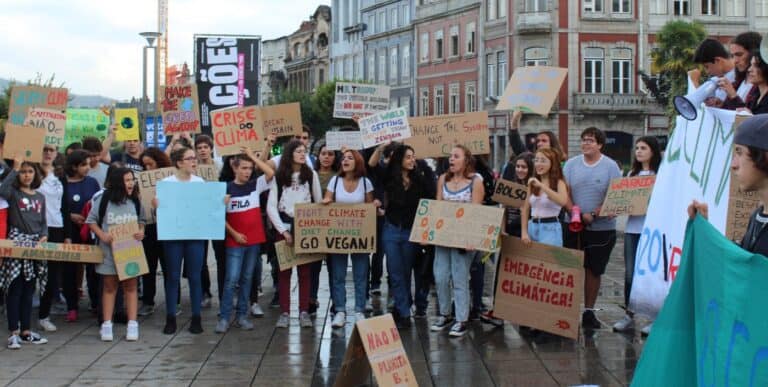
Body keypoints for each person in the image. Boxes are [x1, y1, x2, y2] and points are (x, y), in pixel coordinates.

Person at [563, 127, 622, 330]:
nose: (585, 143)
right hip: (573, 225)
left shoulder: (611, 166)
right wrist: (575, 213)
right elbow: (565, 192)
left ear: (600, 145)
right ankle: (567, 310)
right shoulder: (571, 164)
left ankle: (589, 311)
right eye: (583, 140)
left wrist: (594, 214)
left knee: (594, 270)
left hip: (602, 228)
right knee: (570, 268)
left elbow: (615, 195)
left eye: (590, 140)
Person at [690, 115, 768, 255]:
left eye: (740, 152)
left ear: (765, 157)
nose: (733, 165)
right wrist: (705, 230)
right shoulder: (757, 216)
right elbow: (743, 261)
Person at [215, 149, 274, 333]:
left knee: (247, 278)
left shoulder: (255, 185)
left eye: (250, 168)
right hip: (235, 242)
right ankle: (224, 317)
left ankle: (242, 316)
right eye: (244, 168)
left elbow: (270, 172)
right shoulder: (225, 188)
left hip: (254, 240)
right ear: (235, 168)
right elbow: (217, 216)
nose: (247, 172)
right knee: (231, 279)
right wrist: (234, 234)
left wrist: (252, 156)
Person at [266, 140, 323, 328]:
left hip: (305, 226)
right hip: (284, 224)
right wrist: (283, 231)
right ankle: (284, 312)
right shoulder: (279, 176)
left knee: (305, 272)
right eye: (298, 151)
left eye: (304, 151)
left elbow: (318, 201)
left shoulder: (311, 175)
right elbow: (271, 207)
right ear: (290, 154)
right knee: (284, 272)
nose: (302, 154)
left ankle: (304, 311)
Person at [430, 145, 484, 337]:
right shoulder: (443, 179)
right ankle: (445, 314)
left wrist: (472, 238)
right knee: (440, 277)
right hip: (444, 236)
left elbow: (476, 212)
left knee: (460, 277)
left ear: (466, 160)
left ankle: (461, 319)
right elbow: (437, 207)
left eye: (456, 156)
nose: (451, 159)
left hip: (463, 239)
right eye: (450, 156)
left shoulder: (475, 181)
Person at [87, 167, 145, 341]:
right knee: (109, 287)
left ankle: (132, 324)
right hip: (108, 252)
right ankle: (107, 325)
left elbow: (141, 221)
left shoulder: (135, 201)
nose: (131, 183)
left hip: (130, 252)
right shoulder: (104, 200)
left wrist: (141, 232)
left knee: (131, 287)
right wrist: (102, 235)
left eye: (132, 180)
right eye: (127, 180)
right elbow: (91, 221)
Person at [380, 144, 435, 328]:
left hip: (411, 231)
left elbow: (430, 199)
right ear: (399, 159)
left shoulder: (420, 179)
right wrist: (381, 147)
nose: (412, 160)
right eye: (408, 157)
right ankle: (404, 313)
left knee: (405, 272)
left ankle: (403, 304)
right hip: (391, 229)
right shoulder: (389, 176)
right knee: (395, 272)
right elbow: (372, 166)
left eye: (413, 156)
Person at [156, 147, 207, 335]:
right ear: (179, 163)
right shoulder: (166, 184)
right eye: (190, 158)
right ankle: (170, 318)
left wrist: (219, 202)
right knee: (172, 277)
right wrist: (156, 205)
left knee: (195, 277)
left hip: (194, 236)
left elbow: (206, 207)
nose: (194, 161)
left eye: (195, 158)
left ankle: (196, 317)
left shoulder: (200, 182)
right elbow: (161, 210)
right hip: (173, 237)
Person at [613, 136, 661, 334]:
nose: (639, 151)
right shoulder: (631, 174)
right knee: (629, 274)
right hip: (632, 230)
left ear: (653, 151)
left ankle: (654, 317)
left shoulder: (661, 175)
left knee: (652, 275)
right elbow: (623, 199)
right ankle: (629, 315)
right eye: (637, 148)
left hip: (653, 232)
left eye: (644, 148)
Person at [1, 154, 49, 349]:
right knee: (15, 289)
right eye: (23, 172)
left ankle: (26, 331)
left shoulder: (40, 197)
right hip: (16, 243)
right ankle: (14, 332)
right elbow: (2, 190)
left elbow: (43, 221)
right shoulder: (14, 194)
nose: (27, 175)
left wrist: (44, 235)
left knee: (29, 290)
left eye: (30, 171)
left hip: (34, 245)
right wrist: (15, 168)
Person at [324, 150, 374, 328]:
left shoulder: (365, 182)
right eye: (343, 158)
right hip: (338, 235)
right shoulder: (335, 181)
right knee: (338, 275)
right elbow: (327, 199)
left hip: (360, 236)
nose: (345, 160)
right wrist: (326, 201)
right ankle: (340, 310)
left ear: (357, 162)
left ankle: (359, 309)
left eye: (350, 158)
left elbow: (369, 206)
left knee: (361, 275)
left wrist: (375, 205)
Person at [63, 150, 101, 322]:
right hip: (70, 232)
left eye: (88, 164)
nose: (87, 167)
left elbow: (98, 204)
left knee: (93, 269)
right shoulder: (63, 183)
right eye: (83, 164)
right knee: (70, 270)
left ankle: (96, 303)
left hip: (90, 231)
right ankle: (71, 306)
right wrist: (70, 216)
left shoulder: (92, 182)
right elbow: (58, 207)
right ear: (74, 166)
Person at [36, 145, 71, 332]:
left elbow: (64, 206)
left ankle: (44, 315)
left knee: (52, 275)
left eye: (51, 150)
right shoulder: (31, 172)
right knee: (30, 273)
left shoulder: (60, 176)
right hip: (34, 228)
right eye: (44, 149)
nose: (48, 153)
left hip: (56, 227)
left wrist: (67, 235)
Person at [137, 147, 172, 316]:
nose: (148, 168)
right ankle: (148, 301)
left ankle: (173, 301)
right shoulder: (141, 181)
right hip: (149, 228)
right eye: (144, 165)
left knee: (169, 267)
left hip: (167, 228)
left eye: (150, 164)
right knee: (148, 267)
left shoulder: (171, 179)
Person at [521, 148, 569, 247]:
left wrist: (542, 186)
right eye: (536, 160)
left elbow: (563, 201)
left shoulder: (559, 182)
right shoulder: (532, 183)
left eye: (543, 161)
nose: (538, 164)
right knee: (532, 257)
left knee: (548, 257)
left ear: (552, 164)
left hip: (550, 228)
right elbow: (525, 208)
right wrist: (524, 232)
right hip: (532, 226)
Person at [311, 144, 339, 315]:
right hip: (314, 227)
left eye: (330, 154)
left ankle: (336, 301)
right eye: (323, 153)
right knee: (313, 267)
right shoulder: (310, 175)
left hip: (334, 228)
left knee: (333, 268)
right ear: (318, 156)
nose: (327, 157)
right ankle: (311, 301)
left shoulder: (340, 176)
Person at [721, 31, 762, 110]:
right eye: (732, 56)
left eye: (739, 55)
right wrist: (722, 104)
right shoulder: (739, 81)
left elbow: (752, 115)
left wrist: (733, 96)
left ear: (753, 53)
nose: (735, 61)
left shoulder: (761, 84)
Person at [692, 38, 736, 107]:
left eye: (706, 66)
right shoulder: (718, 78)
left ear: (718, 60)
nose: (707, 72)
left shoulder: (738, 78)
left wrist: (694, 82)